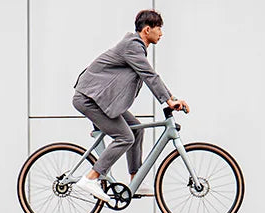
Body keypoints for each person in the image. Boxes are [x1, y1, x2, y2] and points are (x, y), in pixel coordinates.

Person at [72, 9, 190, 202]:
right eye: (159, 28)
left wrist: (171, 98)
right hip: (90, 99)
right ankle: (90, 178)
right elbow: (150, 75)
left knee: (136, 130)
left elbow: (150, 75)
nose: (161, 33)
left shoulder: (135, 47)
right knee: (125, 136)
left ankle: (136, 181)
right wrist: (169, 100)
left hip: (100, 100)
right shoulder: (132, 46)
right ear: (147, 30)